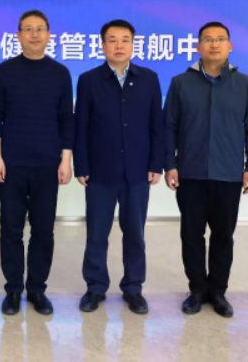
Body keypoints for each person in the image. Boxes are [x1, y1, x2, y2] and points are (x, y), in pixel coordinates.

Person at [164, 21, 248, 318]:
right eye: (207, 39)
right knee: (191, 235)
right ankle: (197, 289)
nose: (214, 44)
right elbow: (169, 127)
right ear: (198, 47)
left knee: (223, 236)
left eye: (220, 39)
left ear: (230, 46)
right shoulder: (180, 83)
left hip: (229, 174)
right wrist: (169, 164)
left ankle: (218, 291)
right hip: (190, 173)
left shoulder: (245, 84)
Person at [74, 20, 164, 315]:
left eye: (125, 39)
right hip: (100, 171)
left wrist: (156, 163)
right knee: (96, 234)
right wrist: (81, 165)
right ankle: (95, 287)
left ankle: (133, 288)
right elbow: (80, 126)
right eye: (112, 40)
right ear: (103, 45)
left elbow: (157, 125)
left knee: (135, 233)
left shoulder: (149, 79)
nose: (119, 45)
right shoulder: (89, 80)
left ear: (133, 44)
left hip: (137, 171)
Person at [0, 10, 74, 316]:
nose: (34, 34)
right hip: (11, 164)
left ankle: (37, 289)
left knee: (43, 231)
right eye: (28, 29)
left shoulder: (60, 73)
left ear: (49, 35)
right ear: (19, 35)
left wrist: (66, 160)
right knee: (10, 229)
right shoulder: (5, 70)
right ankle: (13, 290)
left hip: (47, 165)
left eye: (40, 29)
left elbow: (67, 119)